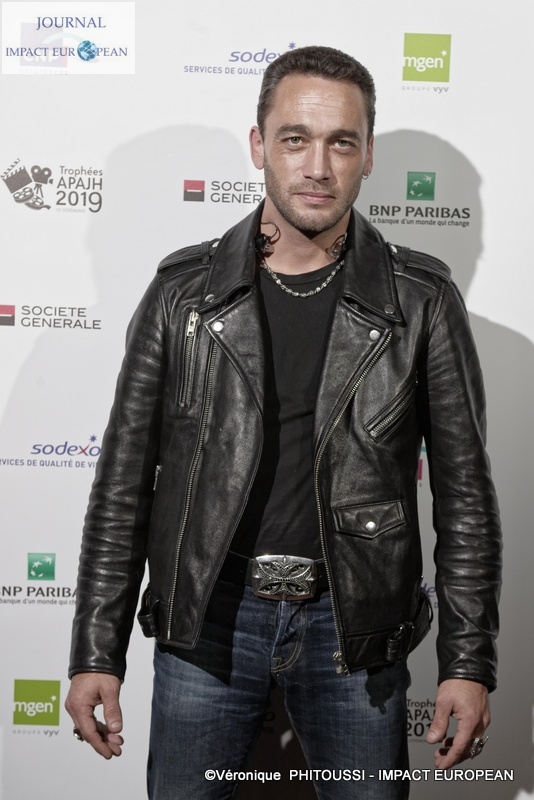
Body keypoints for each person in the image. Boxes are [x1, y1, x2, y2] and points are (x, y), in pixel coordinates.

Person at [65, 45, 502, 799]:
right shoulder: (182, 294)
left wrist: (468, 662)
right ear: (259, 145)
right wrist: (96, 650)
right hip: (209, 623)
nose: (318, 167)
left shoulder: (421, 302)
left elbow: (466, 499)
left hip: (354, 630)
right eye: (296, 139)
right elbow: (122, 486)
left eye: (342, 143)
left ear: (368, 155)